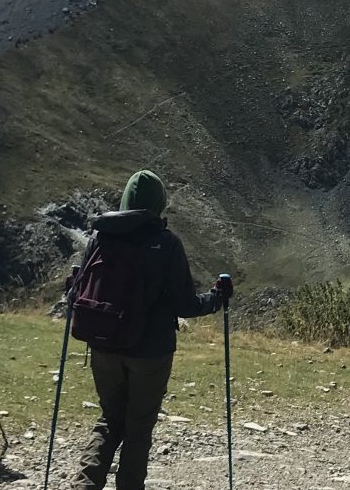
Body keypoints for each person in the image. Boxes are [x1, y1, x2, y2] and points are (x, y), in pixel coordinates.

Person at [72, 170, 233, 490]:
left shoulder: (100, 237)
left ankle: (84, 485)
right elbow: (185, 305)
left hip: (103, 345)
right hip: (150, 352)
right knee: (138, 428)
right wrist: (217, 297)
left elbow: (77, 292)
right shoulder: (166, 243)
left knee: (109, 420)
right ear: (158, 204)